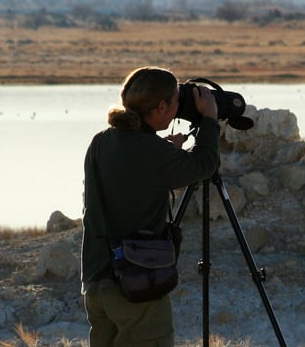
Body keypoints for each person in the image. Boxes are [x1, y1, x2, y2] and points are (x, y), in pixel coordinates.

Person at [81, 66, 220, 347]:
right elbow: (205, 164)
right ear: (161, 107)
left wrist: (168, 153)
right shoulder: (153, 152)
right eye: (176, 101)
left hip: (97, 282)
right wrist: (209, 119)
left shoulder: (101, 141)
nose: (178, 108)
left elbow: (132, 175)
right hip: (135, 284)